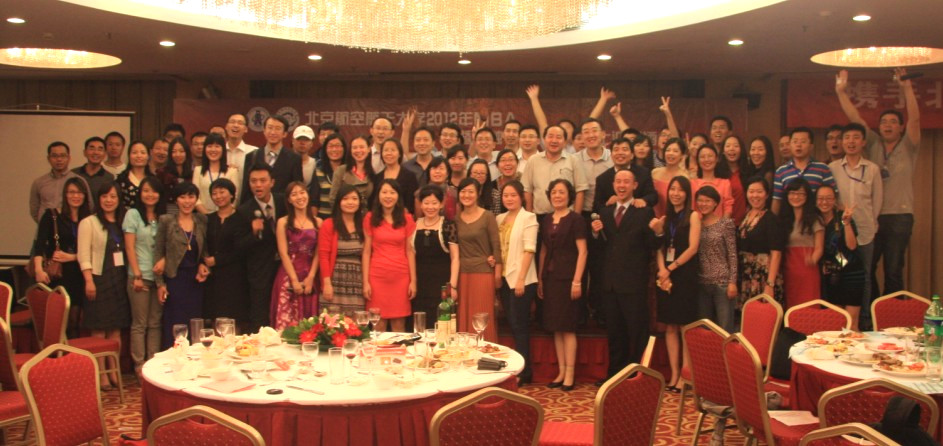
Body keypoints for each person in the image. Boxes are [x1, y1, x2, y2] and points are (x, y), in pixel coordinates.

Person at [836, 68, 919, 300]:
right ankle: (870, 312)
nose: (887, 125)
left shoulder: (909, 145)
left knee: (893, 270)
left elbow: (915, 119)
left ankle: (892, 315)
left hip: (899, 216)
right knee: (866, 267)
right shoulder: (872, 143)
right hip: (871, 216)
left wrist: (906, 88)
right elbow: (856, 119)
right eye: (883, 122)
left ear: (901, 127)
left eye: (893, 122)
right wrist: (841, 92)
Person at [590, 169, 659, 382]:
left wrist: (659, 232)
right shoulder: (605, 212)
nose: (622, 185)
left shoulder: (644, 212)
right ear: (613, 185)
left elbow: (652, 246)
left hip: (634, 282)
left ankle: (637, 376)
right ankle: (614, 375)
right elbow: (600, 249)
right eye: (618, 181)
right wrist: (594, 233)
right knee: (615, 332)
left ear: (635, 185)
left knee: (637, 331)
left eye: (626, 182)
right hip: (610, 283)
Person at [77, 181, 130, 390]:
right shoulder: (89, 222)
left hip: (119, 279)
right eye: (105, 196)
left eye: (113, 196)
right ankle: (101, 375)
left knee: (116, 330)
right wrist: (88, 280)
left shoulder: (122, 222)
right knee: (99, 331)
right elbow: (83, 254)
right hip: (98, 280)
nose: (109, 200)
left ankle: (114, 371)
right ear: (98, 199)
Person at [829, 122, 883, 328]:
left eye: (855, 138)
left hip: (866, 234)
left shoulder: (872, 169)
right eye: (847, 138)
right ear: (842, 142)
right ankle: (840, 320)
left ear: (863, 142)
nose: (851, 142)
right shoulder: (833, 168)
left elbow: (877, 202)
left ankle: (864, 321)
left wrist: (870, 225)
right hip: (841, 235)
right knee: (841, 271)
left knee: (865, 276)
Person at [538, 179, 588, 391]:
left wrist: (577, 281)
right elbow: (543, 250)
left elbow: (583, 251)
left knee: (567, 328)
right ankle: (560, 371)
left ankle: (570, 373)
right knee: (555, 328)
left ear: (569, 195)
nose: (557, 196)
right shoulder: (546, 219)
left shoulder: (576, 219)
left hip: (568, 279)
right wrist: (540, 278)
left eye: (561, 192)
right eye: (554, 192)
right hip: (550, 278)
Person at [653, 176, 701, 392]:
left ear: (687, 194)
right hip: (666, 278)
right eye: (672, 189)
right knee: (670, 326)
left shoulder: (693, 216)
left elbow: (693, 248)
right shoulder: (665, 219)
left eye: (680, 190)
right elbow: (659, 247)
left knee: (684, 327)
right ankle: (673, 375)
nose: (676, 193)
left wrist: (670, 268)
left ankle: (685, 375)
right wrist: (662, 270)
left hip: (685, 275)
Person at [33, 177, 91, 337]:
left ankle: (73, 351)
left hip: (80, 274)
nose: (75, 196)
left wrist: (72, 257)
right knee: (58, 321)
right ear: (65, 194)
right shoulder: (51, 215)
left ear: (85, 195)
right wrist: (38, 269)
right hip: (59, 274)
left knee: (75, 321)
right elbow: (39, 245)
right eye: (71, 192)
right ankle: (57, 351)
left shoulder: (89, 219)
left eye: (79, 192)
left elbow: (94, 250)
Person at [154, 182, 208, 348]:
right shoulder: (166, 221)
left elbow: (205, 250)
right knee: (175, 324)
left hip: (195, 282)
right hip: (175, 280)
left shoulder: (202, 220)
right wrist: (160, 284)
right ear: (176, 200)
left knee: (194, 325)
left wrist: (203, 266)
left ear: (196, 199)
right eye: (182, 197)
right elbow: (158, 252)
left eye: (191, 197)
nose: (187, 201)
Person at [495, 181, 537, 385]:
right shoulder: (499, 218)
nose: (509, 199)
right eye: (506, 195)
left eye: (513, 195)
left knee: (520, 326)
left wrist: (521, 278)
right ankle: (520, 368)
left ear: (521, 197)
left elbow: (529, 250)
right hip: (504, 278)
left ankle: (525, 372)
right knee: (512, 324)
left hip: (522, 280)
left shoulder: (528, 217)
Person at [122, 176, 165, 371]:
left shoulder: (163, 216)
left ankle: (152, 363)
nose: (150, 195)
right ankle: (139, 364)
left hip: (159, 277)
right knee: (140, 324)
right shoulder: (133, 214)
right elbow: (129, 247)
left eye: (154, 191)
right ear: (140, 193)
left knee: (155, 323)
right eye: (146, 190)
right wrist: (137, 275)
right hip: (139, 276)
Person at [362, 180, 416, 333]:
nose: (388, 196)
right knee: (378, 327)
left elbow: (410, 251)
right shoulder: (370, 218)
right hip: (377, 276)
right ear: (378, 195)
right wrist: (365, 282)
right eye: (384, 192)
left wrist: (413, 281)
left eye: (392, 192)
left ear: (398, 196)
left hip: (401, 277)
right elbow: (366, 251)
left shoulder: (407, 219)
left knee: (399, 327)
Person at [237, 164, 286, 332]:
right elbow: (239, 246)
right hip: (260, 271)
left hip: (285, 267)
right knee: (261, 316)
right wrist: (253, 233)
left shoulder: (284, 201)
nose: (258, 185)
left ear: (272, 182)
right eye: (253, 181)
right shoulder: (244, 210)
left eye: (263, 180)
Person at [455, 178, 502, 342]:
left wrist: (498, 273)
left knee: (482, 317)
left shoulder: (487, 216)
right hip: (462, 274)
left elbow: (496, 246)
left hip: (483, 272)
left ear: (478, 193)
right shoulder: (456, 219)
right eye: (463, 191)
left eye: (471, 192)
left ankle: (485, 353)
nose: (466, 195)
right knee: (464, 317)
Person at [271, 182, 321, 329]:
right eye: (294, 194)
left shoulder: (318, 222)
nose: (299, 197)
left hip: (310, 273)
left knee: (310, 323)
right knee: (286, 321)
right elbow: (283, 253)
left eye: (302, 192)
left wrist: (311, 277)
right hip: (288, 273)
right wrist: (293, 280)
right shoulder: (283, 222)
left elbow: (319, 252)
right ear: (289, 200)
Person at [412, 185, 459, 330]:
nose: (430, 207)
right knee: (419, 325)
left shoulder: (448, 225)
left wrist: (452, 286)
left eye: (434, 203)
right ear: (420, 204)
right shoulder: (414, 225)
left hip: (441, 284)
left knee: (441, 324)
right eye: (426, 203)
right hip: (420, 284)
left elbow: (455, 258)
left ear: (441, 204)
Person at [203, 178, 250, 323]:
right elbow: (203, 244)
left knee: (233, 317)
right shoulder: (208, 219)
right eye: (214, 193)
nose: (218, 196)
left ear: (232, 194)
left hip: (235, 275)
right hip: (212, 277)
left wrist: (217, 260)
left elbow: (242, 249)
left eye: (222, 192)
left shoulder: (242, 218)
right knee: (214, 317)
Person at [817, 185, 864, 331]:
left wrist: (847, 223)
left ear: (835, 200)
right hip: (831, 276)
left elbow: (852, 246)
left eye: (829, 198)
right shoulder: (814, 220)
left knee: (851, 324)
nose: (824, 202)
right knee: (836, 324)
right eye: (821, 198)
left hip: (852, 273)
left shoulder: (842, 217)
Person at [318, 184, 367, 315]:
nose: (350, 202)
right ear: (339, 202)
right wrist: (326, 283)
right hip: (335, 279)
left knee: (356, 323)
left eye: (354, 198)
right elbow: (323, 256)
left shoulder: (364, 224)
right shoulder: (329, 224)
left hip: (357, 281)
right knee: (332, 322)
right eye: (345, 199)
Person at [695, 185, 738, 333]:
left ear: (715, 203)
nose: (703, 204)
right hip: (701, 283)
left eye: (707, 201)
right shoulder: (696, 225)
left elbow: (732, 254)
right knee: (704, 329)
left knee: (725, 328)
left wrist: (732, 282)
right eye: (700, 200)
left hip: (722, 283)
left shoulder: (725, 224)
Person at [522, 125, 588, 221]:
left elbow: (580, 190)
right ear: (544, 139)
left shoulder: (573, 160)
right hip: (539, 216)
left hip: (567, 217)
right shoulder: (533, 160)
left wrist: (575, 218)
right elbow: (527, 190)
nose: (554, 140)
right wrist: (529, 217)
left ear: (565, 142)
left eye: (558, 137)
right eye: (550, 136)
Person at [738, 177, 784, 306]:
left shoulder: (771, 219)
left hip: (763, 275)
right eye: (751, 191)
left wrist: (770, 284)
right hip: (746, 274)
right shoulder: (746, 215)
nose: (755, 195)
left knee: (763, 313)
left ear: (767, 194)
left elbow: (776, 253)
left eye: (759, 192)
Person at [779, 178, 824, 309]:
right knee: (791, 307)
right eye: (792, 193)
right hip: (788, 270)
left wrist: (813, 259)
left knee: (809, 307)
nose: (796, 197)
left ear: (807, 196)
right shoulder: (784, 219)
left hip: (807, 269)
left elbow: (819, 248)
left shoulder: (815, 219)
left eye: (800, 194)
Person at [771, 127, 836, 214]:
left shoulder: (823, 168)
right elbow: (777, 200)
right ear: (790, 145)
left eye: (803, 141)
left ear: (811, 146)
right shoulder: (781, 171)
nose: (798, 145)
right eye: (795, 142)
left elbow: (832, 197)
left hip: (816, 217)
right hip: (789, 219)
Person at [241, 115, 303, 204]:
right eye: (270, 128)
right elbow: (246, 189)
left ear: (285, 134)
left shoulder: (294, 159)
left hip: (283, 207)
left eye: (278, 129)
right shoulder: (252, 156)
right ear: (264, 131)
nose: (273, 132)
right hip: (256, 208)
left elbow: (297, 188)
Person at [30, 141, 81, 223]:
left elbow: (88, 207)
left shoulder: (78, 181)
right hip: (46, 227)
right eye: (54, 156)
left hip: (70, 227)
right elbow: (34, 210)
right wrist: (44, 223)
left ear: (69, 158)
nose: (59, 159)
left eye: (63, 156)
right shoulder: (39, 182)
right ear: (48, 159)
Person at [193, 132, 240, 214]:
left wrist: (223, 215)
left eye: (217, 146)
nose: (213, 150)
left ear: (223, 149)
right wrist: (209, 216)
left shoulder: (232, 171)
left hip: (227, 216)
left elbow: (235, 197)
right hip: (203, 216)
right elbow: (196, 198)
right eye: (209, 146)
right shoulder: (198, 170)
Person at [374, 138, 419, 214]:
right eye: (386, 150)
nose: (389, 153)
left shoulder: (410, 176)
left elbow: (411, 204)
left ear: (400, 154)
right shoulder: (377, 177)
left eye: (393, 150)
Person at [329, 135, 375, 208]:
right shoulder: (341, 171)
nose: (358, 150)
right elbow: (333, 198)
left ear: (369, 149)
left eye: (361, 147)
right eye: (355, 147)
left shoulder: (372, 173)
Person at [650, 137, 689, 217]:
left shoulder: (685, 177)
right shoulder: (654, 172)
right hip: (653, 217)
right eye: (668, 150)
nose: (671, 153)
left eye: (675, 151)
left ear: (682, 155)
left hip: (675, 218)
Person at [691, 145, 734, 218]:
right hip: (696, 223)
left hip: (719, 224)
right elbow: (691, 208)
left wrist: (722, 225)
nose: (706, 159)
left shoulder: (725, 183)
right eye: (702, 157)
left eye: (710, 156)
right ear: (698, 160)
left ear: (716, 159)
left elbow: (728, 208)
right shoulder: (692, 183)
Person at [312, 133, 346, 219]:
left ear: (344, 148)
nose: (334, 149)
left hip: (345, 218)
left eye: (337, 146)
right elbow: (314, 201)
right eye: (330, 146)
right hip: (323, 219)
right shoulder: (319, 171)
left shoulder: (350, 171)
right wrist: (315, 221)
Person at [72, 136, 115, 203]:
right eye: (92, 148)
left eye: (100, 149)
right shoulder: (73, 174)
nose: (96, 152)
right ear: (85, 152)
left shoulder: (109, 178)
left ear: (105, 154)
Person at [157, 137, 194, 213]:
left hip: (189, 213)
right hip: (168, 213)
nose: (178, 154)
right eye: (174, 151)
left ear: (187, 153)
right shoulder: (162, 173)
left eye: (181, 151)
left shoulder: (193, 173)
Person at [115, 141, 153, 210]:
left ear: (148, 156)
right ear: (129, 156)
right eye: (134, 152)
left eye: (143, 152)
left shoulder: (153, 180)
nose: (139, 156)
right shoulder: (121, 180)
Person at [224, 113, 258, 189]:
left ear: (246, 129)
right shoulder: (219, 152)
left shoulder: (254, 152)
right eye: (232, 122)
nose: (235, 125)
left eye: (240, 123)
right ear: (226, 126)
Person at [722, 135, 747, 225]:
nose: (731, 149)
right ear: (723, 151)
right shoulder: (717, 172)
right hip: (721, 224)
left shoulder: (747, 172)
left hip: (742, 224)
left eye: (736, 146)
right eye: (728, 146)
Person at [492, 149, 521, 214]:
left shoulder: (524, 181)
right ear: (497, 166)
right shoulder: (492, 186)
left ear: (517, 163)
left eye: (511, 160)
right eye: (503, 160)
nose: (507, 163)